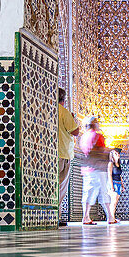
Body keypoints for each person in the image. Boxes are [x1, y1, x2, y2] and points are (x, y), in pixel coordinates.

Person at [78, 116, 111, 225]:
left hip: (87, 168)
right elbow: (101, 150)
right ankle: (110, 217)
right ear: (95, 124)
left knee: (88, 191)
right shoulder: (97, 136)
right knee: (104, 192)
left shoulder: (83, 137)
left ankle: (86, 217)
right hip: (98, 168)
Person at [57, 88, 79, 227]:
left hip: (50, 153)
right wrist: (73, 118)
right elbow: (75, 131)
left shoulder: (47, 110)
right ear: (63, 100)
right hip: (63, 153)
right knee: (61, 187)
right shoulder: (63, 112)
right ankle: (56, 216)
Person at [107, 148, 125, 224]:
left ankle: (112, 218)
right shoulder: (111, 163)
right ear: (112, 155)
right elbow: (109, 175)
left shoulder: (118, 164)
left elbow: (120, 175)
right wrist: (112, 186)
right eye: (116, 154)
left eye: (118, 154)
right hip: (113, 183)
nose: (118, 155)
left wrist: (122, 185)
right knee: (113, 202)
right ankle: (110, 219)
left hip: (118, 184)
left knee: (115, 203)